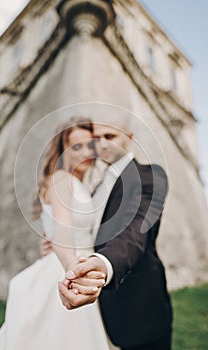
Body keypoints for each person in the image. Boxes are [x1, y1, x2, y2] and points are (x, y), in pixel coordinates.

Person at [0, 117, 112, 350]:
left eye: (89, 145)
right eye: (76, 146)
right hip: (66, 269)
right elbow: (63, 232)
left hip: (75, 263)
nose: (85, 152)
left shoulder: (79, 184)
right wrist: (73, 271)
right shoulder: (62, 179)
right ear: (63, 150)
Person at [57, 116, 173, 350]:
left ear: (129, 138)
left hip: (140, 308)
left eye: (110, 136)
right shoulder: (98, 187)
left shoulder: (149, 174)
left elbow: (136, 230)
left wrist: (104, 263)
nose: (102, 144)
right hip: (101, 306)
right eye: (96, 139)